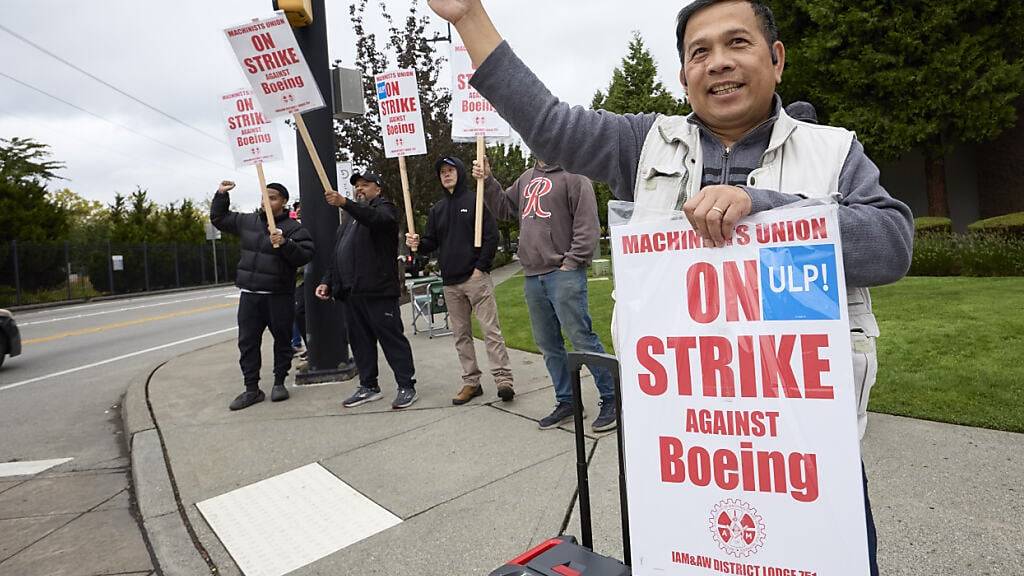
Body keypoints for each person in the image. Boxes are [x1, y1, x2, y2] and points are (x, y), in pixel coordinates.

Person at [426, 1, 915, 573]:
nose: (718, 63)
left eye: (738, 44)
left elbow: (891, 241)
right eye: (699, 52)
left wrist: (766, 211)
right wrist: (468, 19)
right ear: (684, 76)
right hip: (682, 454)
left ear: (777, 59)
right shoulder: (643, 144)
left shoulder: (832, 150)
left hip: (802, 455)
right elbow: (548, 123)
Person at [475, 157, 617, 431]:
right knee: (548, 345)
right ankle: (567, 402)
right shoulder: (527, 176)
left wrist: (572, 261)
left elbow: (587, 224)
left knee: (581, 337)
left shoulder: (575, 174)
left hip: (563, 273)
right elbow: (505, 209)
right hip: (532, 275)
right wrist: (488, 180)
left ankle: (611, 396)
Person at [405, 156, 515, 405]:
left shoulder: (476, 201)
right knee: (461, 335)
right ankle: (471, 382)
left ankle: (503, 380)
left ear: (460, 172)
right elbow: (431, 243)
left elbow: (491, 237)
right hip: (450, 283)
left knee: (491, 331)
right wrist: (418, 243)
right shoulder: (437, 209)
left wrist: (480, 268)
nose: (446, 175)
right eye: (442, 171)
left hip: (475, 279)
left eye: (450, 170)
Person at [317, 172, 418, 410]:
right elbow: (337, 254)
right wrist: (327, 281)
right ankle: (368, 386)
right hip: (351, 292)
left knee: (391, 339)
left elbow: (376, 220)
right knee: (360, 342)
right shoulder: (348, 221)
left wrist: (346, 204)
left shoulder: (384, 210)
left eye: (365, 185)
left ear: (378, 189)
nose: (359, 189)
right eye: (356, 186)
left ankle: (406, 385)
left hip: (378, 290)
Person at [210, 180, 315, 411]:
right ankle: (251, 389)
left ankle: (279, 382)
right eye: (264, 197)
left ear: (284, 202)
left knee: (282, 340)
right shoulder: (248, 222)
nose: (266, 201)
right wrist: (220, 195)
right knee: (248, 343)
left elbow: (305, 255)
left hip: (278, 295)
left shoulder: (294, 229)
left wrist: (285, 243)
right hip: (250, 295)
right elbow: (219, 219)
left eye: (273, 197)